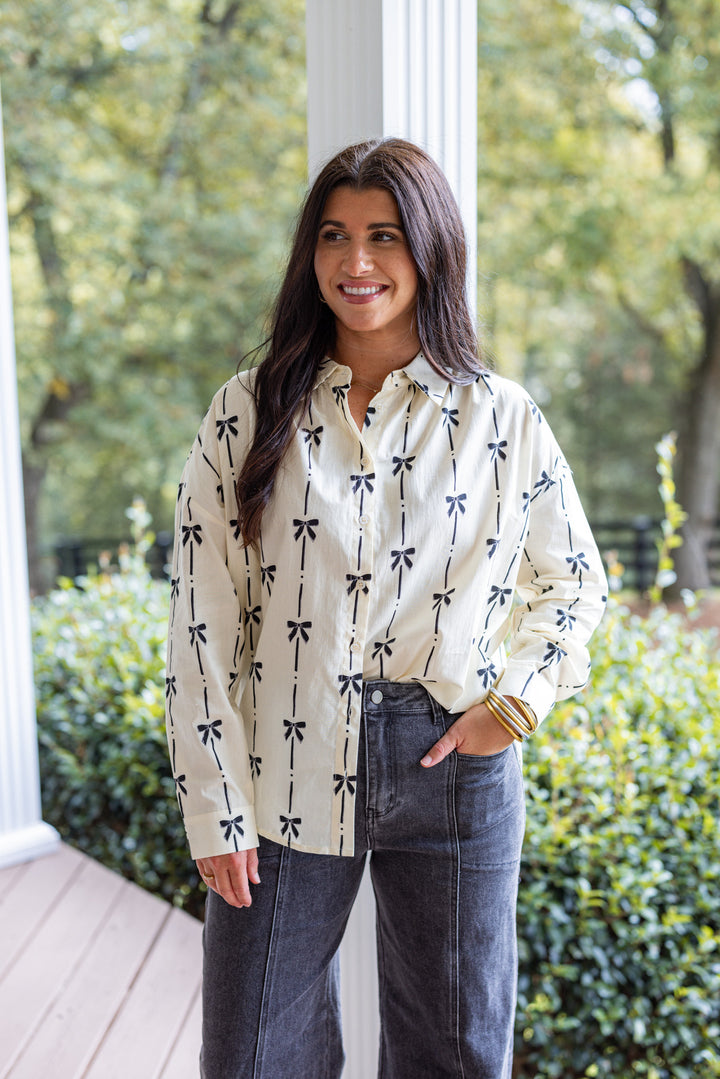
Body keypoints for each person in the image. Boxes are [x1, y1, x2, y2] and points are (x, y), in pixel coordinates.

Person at [165, 137, 607, 1079]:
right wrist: (214, 803)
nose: (355, 261)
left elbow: (574, 583)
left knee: (456, 1053)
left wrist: (514, 704)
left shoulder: (502, 418)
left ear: (431, 248)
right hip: (284, 758)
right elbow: (202, 619)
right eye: (334, 235)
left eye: (384, 236)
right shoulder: (247, 411)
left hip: (452, 760)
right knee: (250, 1054)